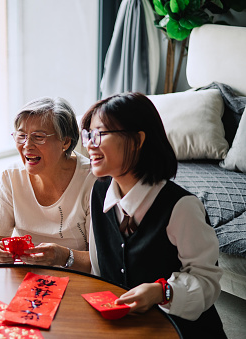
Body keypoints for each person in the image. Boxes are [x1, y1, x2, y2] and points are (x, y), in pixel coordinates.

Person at [81, 92, 226, 338]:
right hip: (129, 328)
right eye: (88, 134)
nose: (90, 144)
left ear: (137, 139)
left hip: (183, 331)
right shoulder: (99, 192)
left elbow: (207, 282)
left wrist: (163, 292)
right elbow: (100, 268)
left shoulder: (181, 207)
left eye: (100, 134)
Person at [0, 97, 96, 270]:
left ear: (65, 142)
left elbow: (100, 260)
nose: (27, 145)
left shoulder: (92, 180)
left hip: (76, 278)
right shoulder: (10, 178)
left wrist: (63, 256)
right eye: (21, 136)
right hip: (25, 276)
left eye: (39, 137)